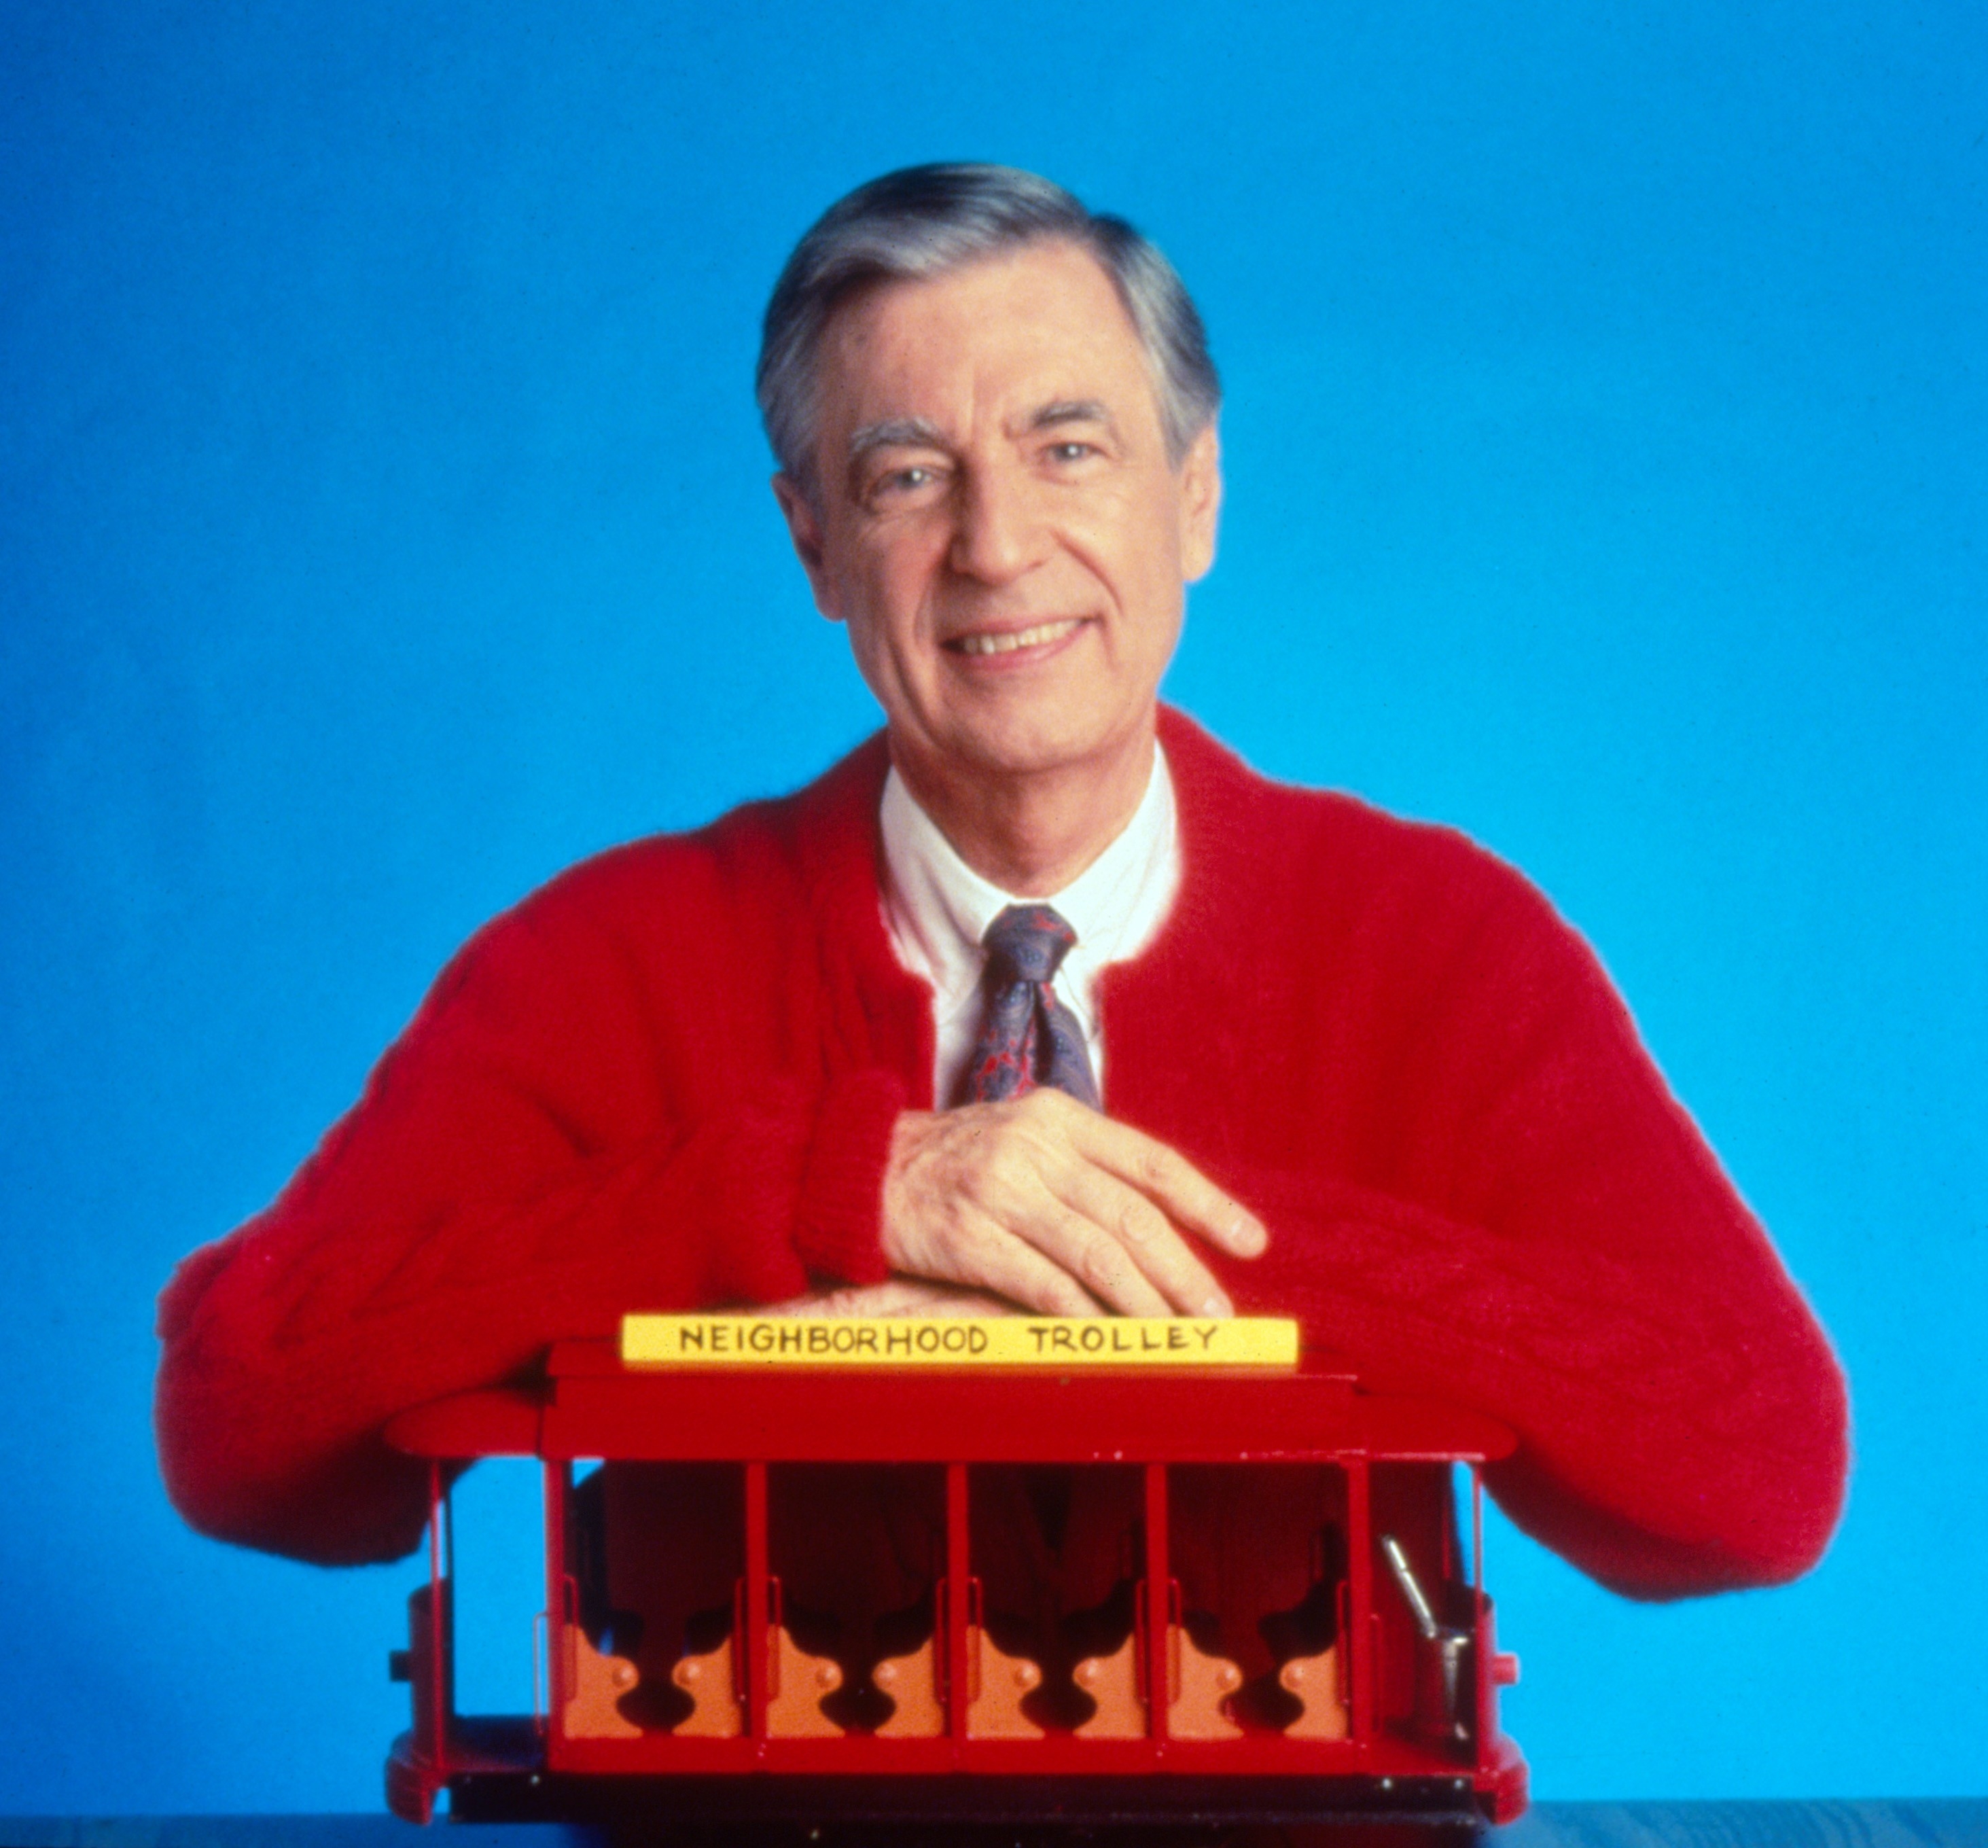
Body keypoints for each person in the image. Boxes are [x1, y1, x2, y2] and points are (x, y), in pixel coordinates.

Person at [154, 165, 1847, 1612]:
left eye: (1067, 447)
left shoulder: (1438, 943)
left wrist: (1148, 1261)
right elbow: (236, 1421)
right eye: (906, 476)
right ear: (811, 541)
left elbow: (1759, 1473)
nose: (993, 546)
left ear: (1194, 498)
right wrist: (834, 1193)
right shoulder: (605, 960)